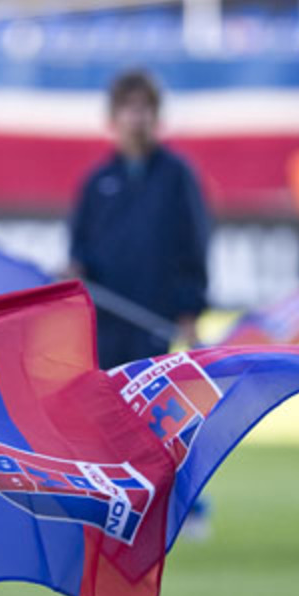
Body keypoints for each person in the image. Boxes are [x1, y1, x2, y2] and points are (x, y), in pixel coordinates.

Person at [65, 68, 210, 370]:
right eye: (129, 107)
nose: (137, 116)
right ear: (113, 117)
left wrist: (189, 310)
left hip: (155, 318)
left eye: (145, 107)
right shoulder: (97, 181)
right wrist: (76, 270)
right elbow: (80, 244)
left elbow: (194, 245)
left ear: (156, 115)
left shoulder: (177, 176)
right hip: (107, 321)